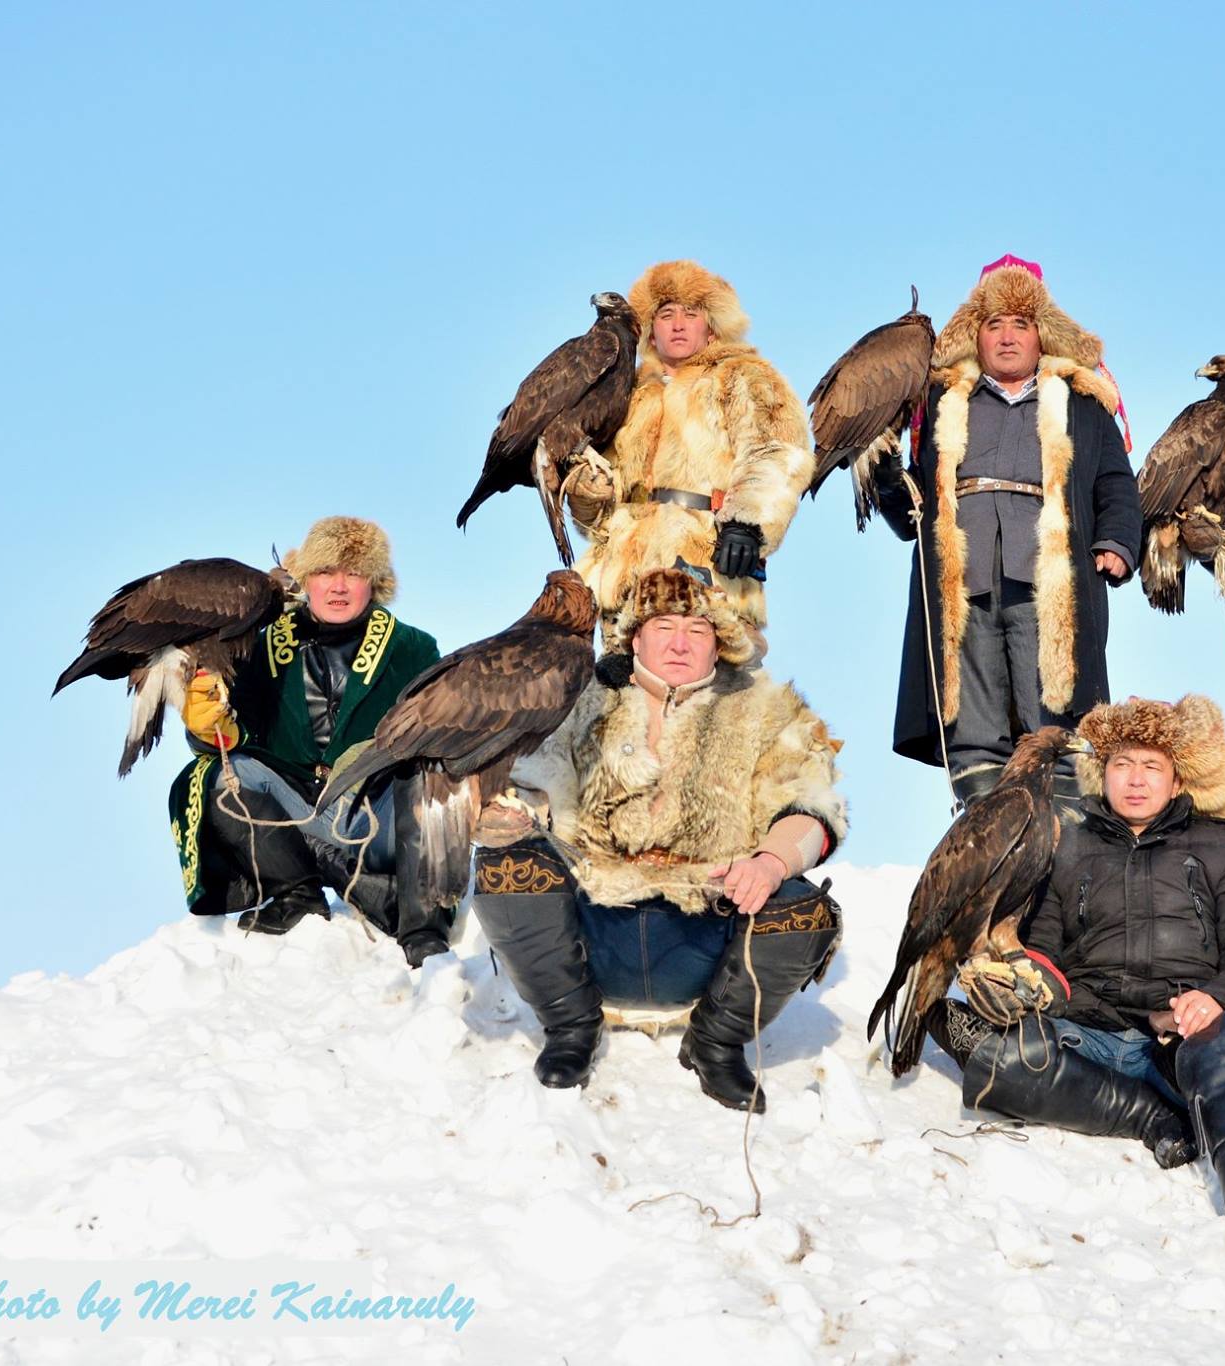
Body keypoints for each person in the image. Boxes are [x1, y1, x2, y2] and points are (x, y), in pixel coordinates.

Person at [931, 696, 1225, 1270]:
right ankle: (1156, 1117)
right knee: (995, 1045)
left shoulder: (1220, 846)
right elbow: (1045, 952)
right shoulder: (1069, 846)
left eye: (1151, 767)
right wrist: (1025, 983)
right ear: (1102, 772)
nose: (1135, 781)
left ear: (1177, 776)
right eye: (1121, 765)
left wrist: (1209, 1000)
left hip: (1190, 1039)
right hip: (1097, 1036)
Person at [469, 566, 847, 1111]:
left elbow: (811, 802)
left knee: (806, 910)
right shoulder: (579, 699)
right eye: (664, 626)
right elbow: (536, 780)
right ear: (635, 636)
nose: (679, 643)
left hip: (706, 927)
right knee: (507, 868)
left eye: (697, 630)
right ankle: (570, 1028)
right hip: (592, 919)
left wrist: (769, 861)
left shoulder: (768, 709)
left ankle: (716, 1044)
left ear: (719, 643)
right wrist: (511, 814)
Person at [875, 255, 1142, 808]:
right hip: (962, 571)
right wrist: (881, 478)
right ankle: (983, 815)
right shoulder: (943, 401)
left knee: (1052, 700)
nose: (1006, 336)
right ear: (976, 334)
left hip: (1050, 570)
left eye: (1020, 324)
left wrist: (1116, 542)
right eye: (993, 324)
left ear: (1041, 334)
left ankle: (1064, 817)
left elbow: (1116, 481)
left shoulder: (1081, 401)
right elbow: (911, 501)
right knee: (972, 701)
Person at [167, 516, 448, 966]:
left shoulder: (413, 649)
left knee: (429, 781)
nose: (338, 587)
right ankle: (297, 892)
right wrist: (207, 730)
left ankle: (421, 929)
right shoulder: (259, 647)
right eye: (324, 573)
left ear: (374, 583)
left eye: (353, 573)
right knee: (212, 776)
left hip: (374, 815)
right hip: (293, 811)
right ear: (304, 581)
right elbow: (234, 732)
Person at [570, 260, 815, 632]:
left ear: (712, 329)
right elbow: (598, 499)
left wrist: (746, 524)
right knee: (619, 686)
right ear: (651, 333)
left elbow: (777, 453)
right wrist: (587, 492)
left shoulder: (742, 376)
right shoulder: (626, 390)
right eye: (666, 315)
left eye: (691, 313)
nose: (679, 324)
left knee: (717, 678)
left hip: (708, 563)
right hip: (624, 577)